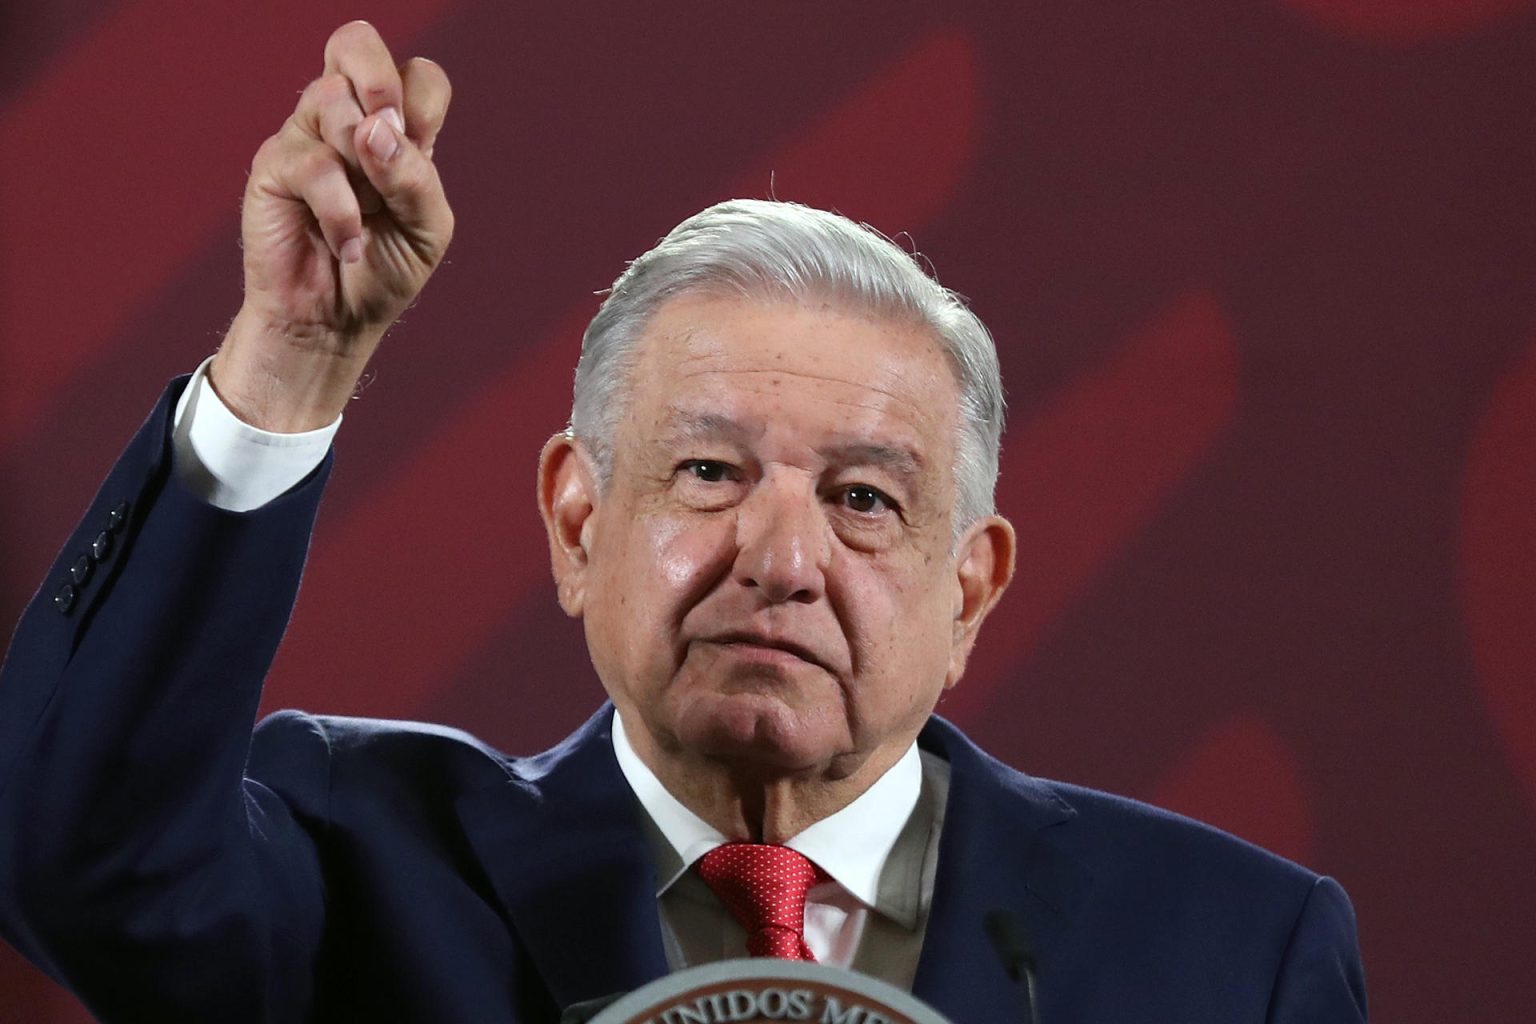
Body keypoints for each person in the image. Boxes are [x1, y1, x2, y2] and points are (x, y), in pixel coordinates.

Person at [0, 22, 1367, 1023]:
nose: (779, 561)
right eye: (710, 474)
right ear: (576, 521)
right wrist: (291, 358)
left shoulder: (1228, 954)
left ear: (972, 588)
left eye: (863, 501)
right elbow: (81, 862)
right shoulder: (368, 868)